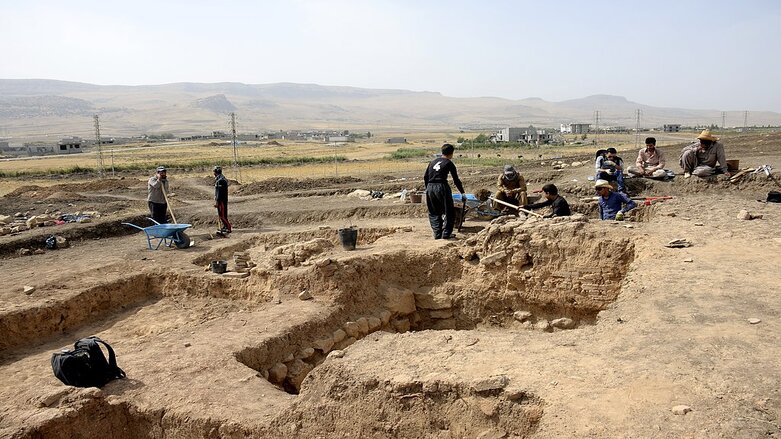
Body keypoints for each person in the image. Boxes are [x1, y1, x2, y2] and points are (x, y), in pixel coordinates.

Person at [424, 143, 465, 239]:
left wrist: (428, 189)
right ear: (451, 153)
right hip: (442, 186)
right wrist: (462, 192)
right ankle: (446, 234)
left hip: (430, 187)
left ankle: (437, 234)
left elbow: (425, 177)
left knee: (434, 212)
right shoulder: (449, 162)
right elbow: (456, 180)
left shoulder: (432, 162)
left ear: (442, 152)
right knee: (449, 211)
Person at [213, 166, 232, 235]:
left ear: (216, 172)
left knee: (222, 215)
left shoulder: (220, 181)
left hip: (221, 201)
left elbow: (219, 193)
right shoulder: (220, 179)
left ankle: (228, 227)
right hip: (222, 200)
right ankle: (224, 226)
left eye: (214, 172)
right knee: (222, 215)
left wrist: (217, 202)